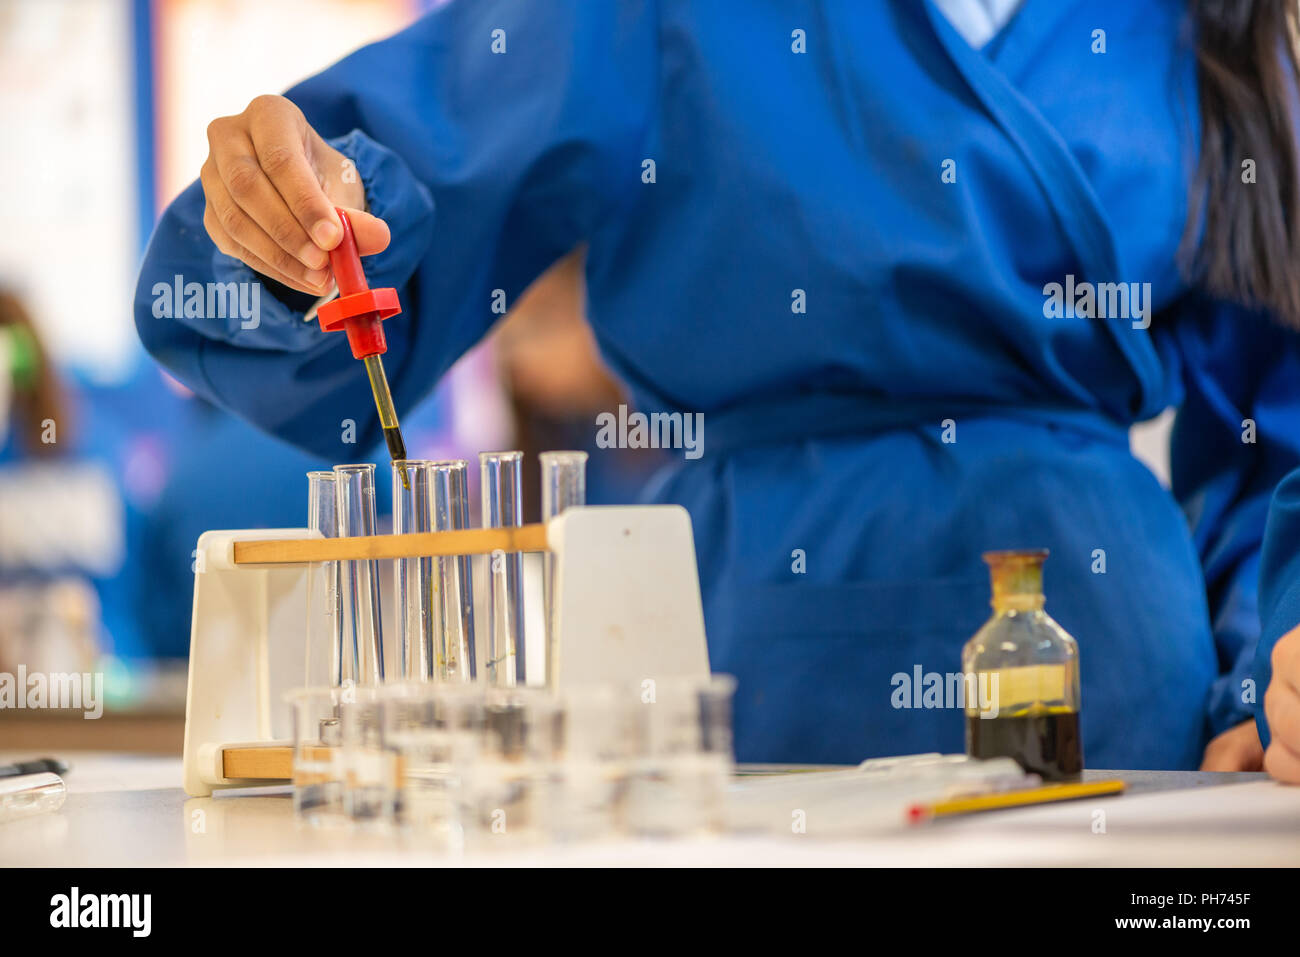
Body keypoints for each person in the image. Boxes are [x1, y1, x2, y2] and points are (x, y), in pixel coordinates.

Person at [134, 0, 1300, 778]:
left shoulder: (1192, 20)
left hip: (1127, 688)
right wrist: (285, 227)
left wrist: (1273, 665)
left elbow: (1274, 431)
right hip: (761, 660)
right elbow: (361, 225)